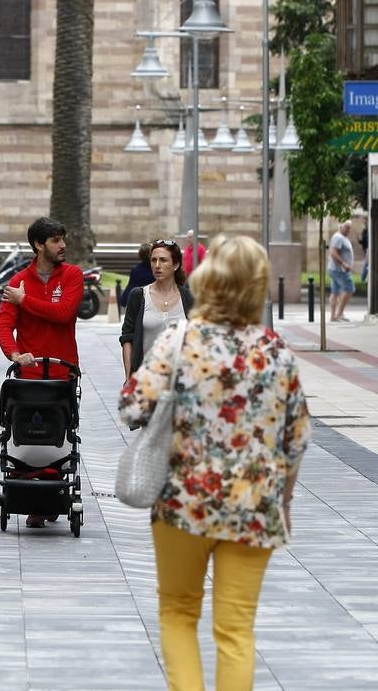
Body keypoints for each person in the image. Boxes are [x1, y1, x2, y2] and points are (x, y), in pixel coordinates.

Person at [119, 235, 310, 691]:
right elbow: (297, 439)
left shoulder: (179, 341)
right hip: (253, 506)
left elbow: (131, 407)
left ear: (208, 280)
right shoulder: (276, 352)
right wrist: (283, 501)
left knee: (179, 614)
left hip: (184, 503)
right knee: (237, 630)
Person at [0, 216, 84, 528]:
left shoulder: (72, 275)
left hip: (62, 374)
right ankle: (29, 492)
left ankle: (52, 496)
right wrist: (15, 353)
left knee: (60, 436)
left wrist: (25, 300)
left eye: (63, 239)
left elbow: (63, 314)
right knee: (26, 434)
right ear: (38, 245)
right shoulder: (19, 280)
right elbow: (4, 323)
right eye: (56, 240)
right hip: (29, 379)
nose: (63, 245)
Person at [120, 239, 194, 377]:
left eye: (163, 260)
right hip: (145, 379)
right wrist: (129, 377)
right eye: (153, 260)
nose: (157, 265)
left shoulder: (188, 298)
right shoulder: (139, 295)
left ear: (176, 264)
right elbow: (127, 338)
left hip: (180, 380)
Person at [328, 220, 356, 322]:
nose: (349, 230)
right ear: (341, 226)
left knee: (335, 292)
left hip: (336, 269)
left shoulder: (341, 237)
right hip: (340, 270)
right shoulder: (338, 237)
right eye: (347, 227)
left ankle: (333, 316)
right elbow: (333, 253)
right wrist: (344, 264)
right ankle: (339, 313)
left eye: (349, 227)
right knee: (349, 289)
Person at [119, 242, 155, 309]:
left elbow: (131, 287)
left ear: (140, 255)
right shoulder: (157, 270)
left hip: (138, 305)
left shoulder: (136, 270)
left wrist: (123, 300)